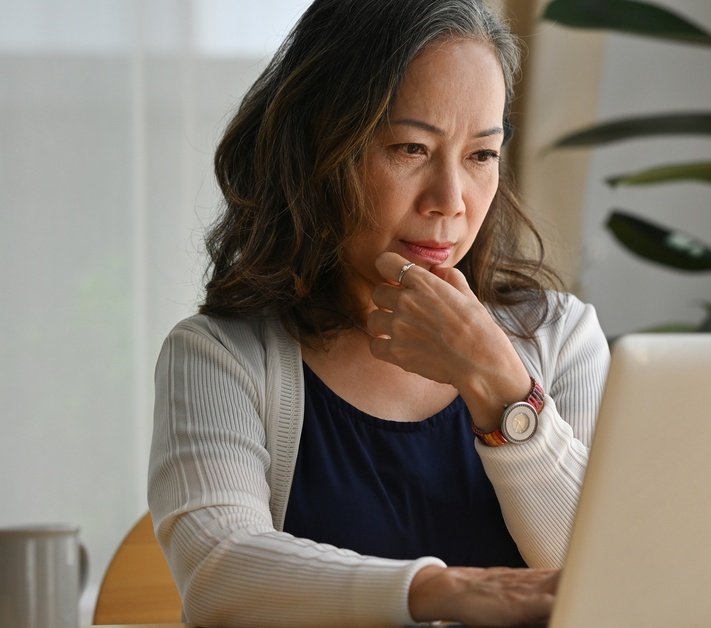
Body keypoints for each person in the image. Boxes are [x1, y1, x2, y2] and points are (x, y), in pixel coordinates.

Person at [147, 1, 609, 625]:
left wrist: (502, 389)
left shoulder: (561, 336)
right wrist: (445, 592)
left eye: (480, 155)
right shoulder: (221, 355)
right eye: (410, 148)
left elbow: (606, 575)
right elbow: (219, 570)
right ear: (320, 152)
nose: (450, 201)